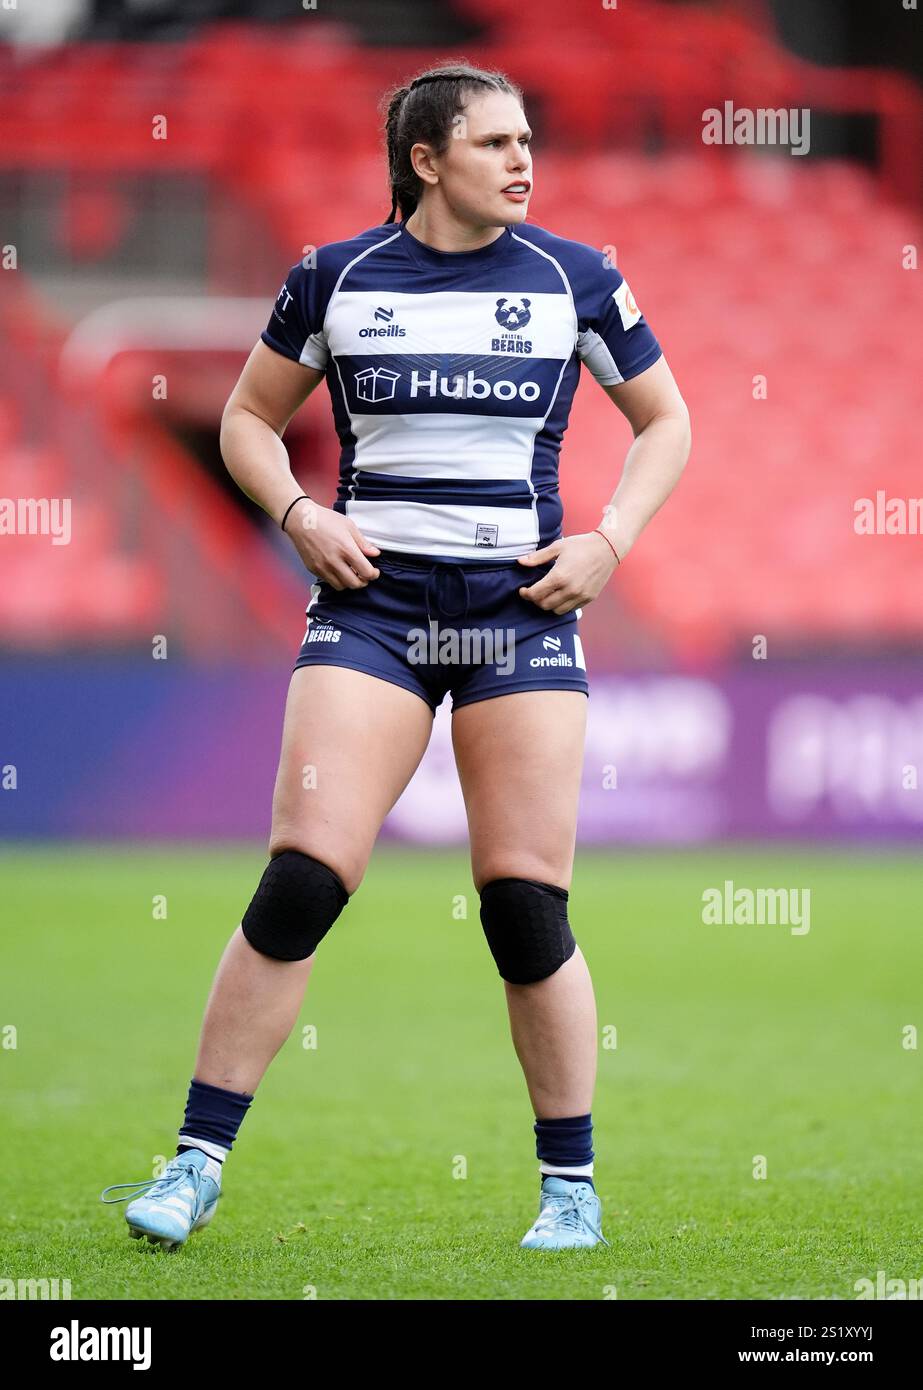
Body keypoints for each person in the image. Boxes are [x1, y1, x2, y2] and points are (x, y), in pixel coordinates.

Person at [101, 61, 690, 1253]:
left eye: (529, 140)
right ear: (426, 160)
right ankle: (194, 1163)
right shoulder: (334, 277)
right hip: (372, 612)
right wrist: (298, 516)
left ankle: (566, 1187)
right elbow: (245, 419)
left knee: (522, 905)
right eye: (496, 143)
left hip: (519, 612)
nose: (524, 161)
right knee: (303, 878)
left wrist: (608, 542)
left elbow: (665, 420)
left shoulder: (578, 279)